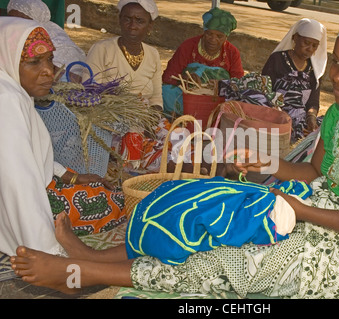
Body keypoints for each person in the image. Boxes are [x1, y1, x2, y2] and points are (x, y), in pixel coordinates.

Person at [11, 12, 339, 299]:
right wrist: (263, 163)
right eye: (335, 63)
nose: (336, 76)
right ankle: (95, 255)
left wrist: (300, 210)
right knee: (201, 205)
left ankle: (78, 275)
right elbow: (313, 169)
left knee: (228, 258)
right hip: (315, 208)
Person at [0, 17, 126, 257]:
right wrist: (46, 250)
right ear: (8, 59)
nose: (49, 70)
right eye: (34, 62)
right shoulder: (7, 100)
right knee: (110, 202)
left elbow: (28, 157)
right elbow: (19, 183)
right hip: (16, 207)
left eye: (49, 59)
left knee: (99, 190)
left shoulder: (11, 90)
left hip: (25, 195)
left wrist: (74, 177)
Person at [83, 0, 166, 171]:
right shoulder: (102, 49)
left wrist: (151, 120)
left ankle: (165, 172)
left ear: (150, 26)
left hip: (146, 117)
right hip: (109, 117)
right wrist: (128, 114)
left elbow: (157, 97)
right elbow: (89, 92)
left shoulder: (153, 54)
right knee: (134, 136)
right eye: (127, 19)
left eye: (140, 21)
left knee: (177, 137)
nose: (132, 25)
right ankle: (129, 179)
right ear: (119, 20)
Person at [162, 7, 244, 117]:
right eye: (209, 34)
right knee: (165, 92)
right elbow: (168, 77)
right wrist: (184, 79)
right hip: (188, 98)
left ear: (226, 37)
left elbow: (240, 84)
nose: (213, 39)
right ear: (204, 31)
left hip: (217, 101)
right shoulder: (188, 46)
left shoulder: (232, 52)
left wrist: (219, 85)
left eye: (219, 36)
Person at [262, 18, 327, 141]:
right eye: (306, 43)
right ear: (295, 38)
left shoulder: (315, 70)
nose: (310, 49)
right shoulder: (277, 60)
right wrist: (282, 117)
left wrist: (311, 119)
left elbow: (313, 102)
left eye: (314, 46)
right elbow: (264, 91)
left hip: (301, 119)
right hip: (275, 116)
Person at [7, 0, 86, 82]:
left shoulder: (55, 40)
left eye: (20, 19)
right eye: (11, 18)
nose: (14, 22)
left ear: (34, 18)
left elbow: (60, 77)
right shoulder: (14, 37)